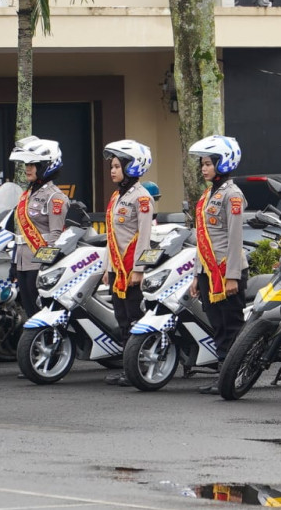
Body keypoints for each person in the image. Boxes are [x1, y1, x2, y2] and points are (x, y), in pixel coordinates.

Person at [188, 134, 248, 395]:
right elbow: (201, 238)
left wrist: (233, 276)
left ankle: (236, 374)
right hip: (207, 272)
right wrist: (195, 275)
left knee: (232, 325)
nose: (204, 168)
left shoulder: (232, 195)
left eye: (208, 163)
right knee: (218, 326)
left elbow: (235, 239)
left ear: (223, 163)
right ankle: (224, 374)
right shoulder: (206, 195)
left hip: (226, 271)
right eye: (202, 164)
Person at [101, 140, 155, 386]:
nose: (112, 170)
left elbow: (144, 237)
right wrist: (106, 268)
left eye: (116, 166)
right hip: (116, 269)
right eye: (111, 166)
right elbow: (110, 236)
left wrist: (139, 269)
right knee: (122, 319)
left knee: (134, 317)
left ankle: (139, 366)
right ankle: (127, 367)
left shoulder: (142, 198)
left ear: (131, 167)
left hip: (131, 270)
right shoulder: (116, 196)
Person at [9, 136, 69, 319]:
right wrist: (13, 263)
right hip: (22, 261)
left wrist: (45, 264)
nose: (27, 168)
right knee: (29, 311)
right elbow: (20, 232)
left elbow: (56, 235)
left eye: (33, 164)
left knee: (42, 312)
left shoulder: (55, 197)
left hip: (40, 263)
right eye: (26, 164)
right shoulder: (26, 195)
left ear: (46, 166)